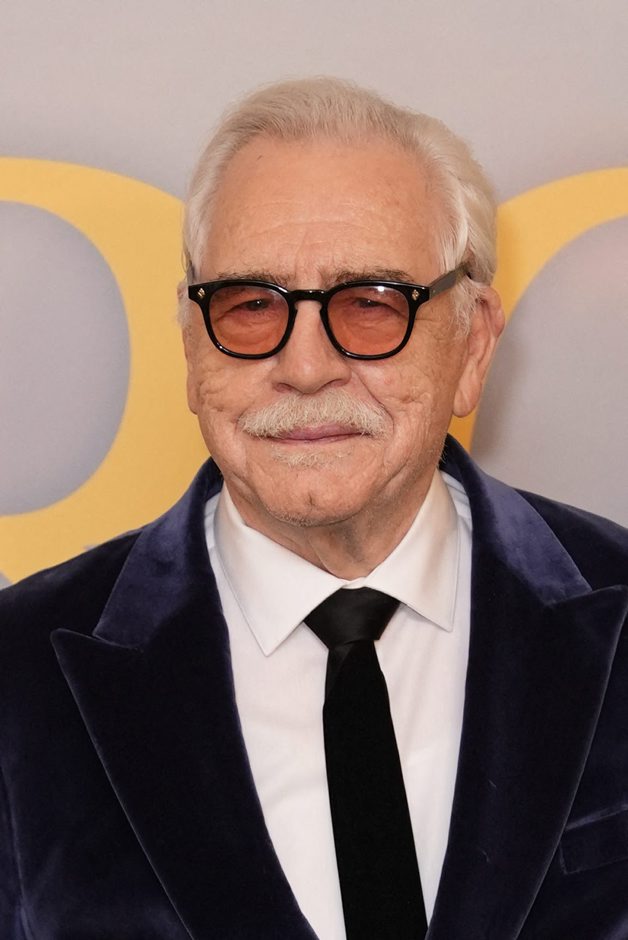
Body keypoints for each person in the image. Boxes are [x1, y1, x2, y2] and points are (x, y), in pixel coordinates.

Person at [1, 77, 627, 940]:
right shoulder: (18, 678)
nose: (304, 367)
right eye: (251, 305)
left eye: (370, 304)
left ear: (474, 345)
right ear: (192, 347)